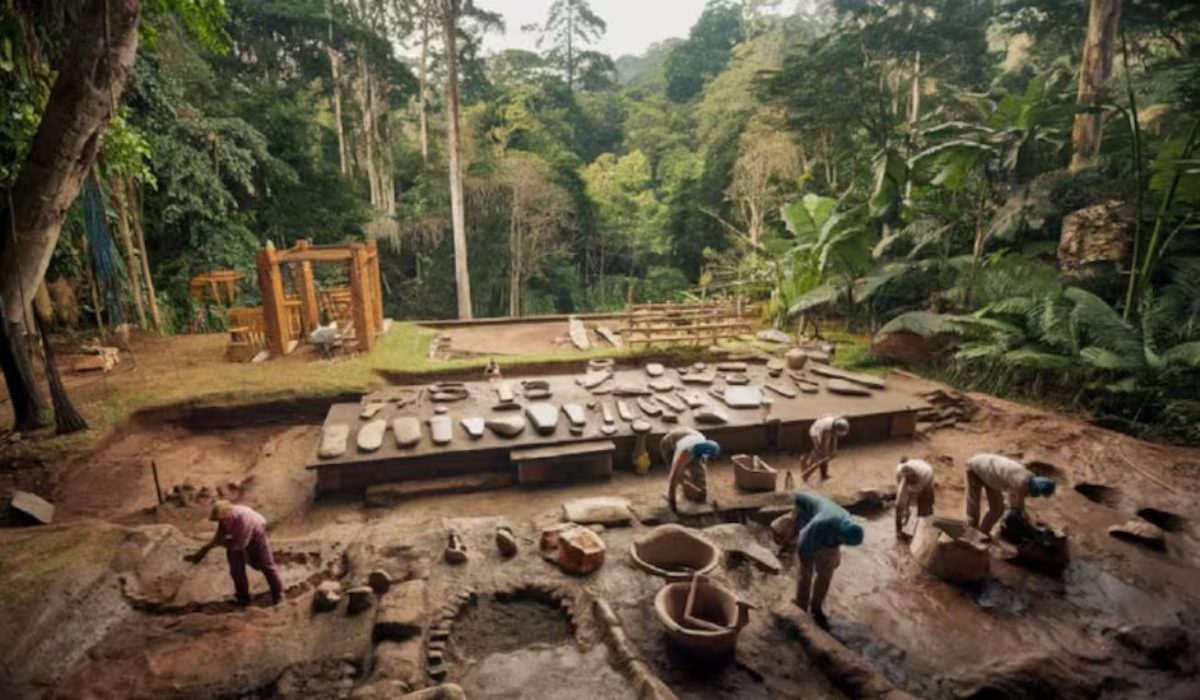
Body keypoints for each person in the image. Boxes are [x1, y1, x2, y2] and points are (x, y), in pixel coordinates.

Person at [186, 501, 283, 606]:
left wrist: (225, 543)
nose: (223, 522)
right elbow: (217, 538)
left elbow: (241, 545)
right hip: (238, 538)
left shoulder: (245, 520)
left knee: (266, 565)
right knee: (236, 570)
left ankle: (278, 594)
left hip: (256, 533)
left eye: (224, 519)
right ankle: (243, 598)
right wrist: (203, 551)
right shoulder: (224, 520)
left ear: (229, 513)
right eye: (220, 520)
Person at [790, 491, 863, 628]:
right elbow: (803, 539)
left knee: (827, 572)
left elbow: (835, 555)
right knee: (805, 575)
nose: (845, 545)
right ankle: (801, 606)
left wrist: (831, 561)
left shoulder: (850, 524)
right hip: (804, 511)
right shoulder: (821, 523)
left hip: (827, 525)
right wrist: (806, 561)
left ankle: (816, 607)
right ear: (841, 535)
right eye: (844, 542)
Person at [965, 453, 1057, 535]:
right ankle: (970, 533)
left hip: (991, 474)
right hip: (975, 468)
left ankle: (982, 534)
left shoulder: (1027, 479)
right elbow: (1016, 506)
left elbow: (1019, 502)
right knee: (974, 505)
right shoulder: (1019, 483)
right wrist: (1027, 521)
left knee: (997, 509)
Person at [660, 427, 720, 513]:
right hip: (668, 444)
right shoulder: (684, 452)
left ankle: (695, 492)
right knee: (679, 474)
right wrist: (672, 501)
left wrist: (702, 491)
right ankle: (678, 491)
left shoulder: (704, 446)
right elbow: (674, 475)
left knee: (697, 470)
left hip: (688, 437)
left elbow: (701, 468)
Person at [895, 456, 935, 538]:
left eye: (913, 481)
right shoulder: (900, 473)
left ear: (916, 477)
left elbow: (920, 494)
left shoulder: (926, 475)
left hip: (926, 477)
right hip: (909, 473)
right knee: (900, 507)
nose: (911, 484)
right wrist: (906, 510)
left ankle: (924, 530)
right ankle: (898, 531)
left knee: (925, 508)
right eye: (909, 481)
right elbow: (899, 503)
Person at [802, 414, 849, 482]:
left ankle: (823, 475)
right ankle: (807, 473)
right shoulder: (827, 430)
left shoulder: (837, 422)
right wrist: (821, 451)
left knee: (825, 454)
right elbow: (823, 443)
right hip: (816, 433)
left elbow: (834, 438)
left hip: (823, 427)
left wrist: (834, 451)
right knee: (821, 454)